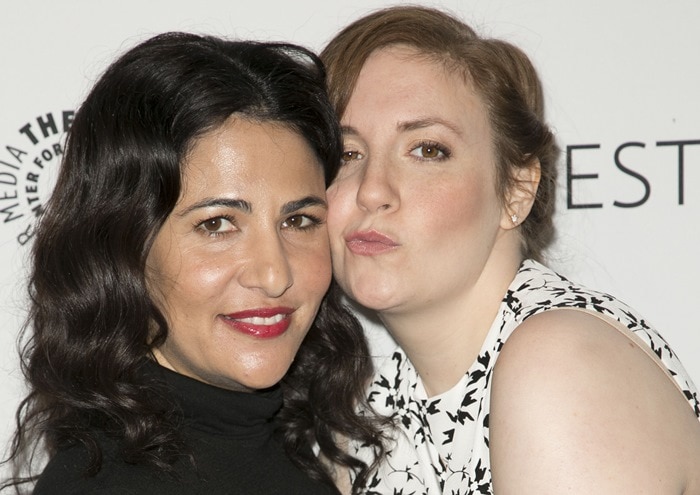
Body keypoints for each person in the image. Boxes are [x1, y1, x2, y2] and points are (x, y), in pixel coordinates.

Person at [320, 6, 700, 494]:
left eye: (427, 150)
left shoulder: (558, 364)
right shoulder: (376, 413)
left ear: (516, 189)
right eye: (347, 153)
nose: (372, 190)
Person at [1, 32, 384, 494]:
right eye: (217, 224)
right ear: (125, 248)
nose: (274, 275)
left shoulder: (296, 454)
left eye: (299, 220)